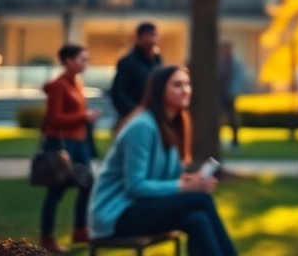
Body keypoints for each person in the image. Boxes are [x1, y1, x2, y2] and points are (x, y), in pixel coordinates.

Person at [90, 65, 238, 256]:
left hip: (140, 207)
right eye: (177, 85)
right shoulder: (142, 126)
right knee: (200, 200)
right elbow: (134, 186)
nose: (185, 90)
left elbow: (164, 180)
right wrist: (183, 188)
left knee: (197, 219)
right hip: (116, 215)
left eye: (187, 84)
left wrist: (189, 181)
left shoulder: (173, 125)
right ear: (160, 91)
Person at [39, 44, 103, 253]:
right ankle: (47, 238)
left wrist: (86, 117)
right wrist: (84, 116)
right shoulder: (59, 86)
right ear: (68, 61)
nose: (86, 63)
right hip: (61, 144)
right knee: (56, 190)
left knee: (87, 183)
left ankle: (80, 229)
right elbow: (54, 118)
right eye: (82, 59)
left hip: (79, 142)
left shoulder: (77, 82)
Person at [110, 22, 161, 125]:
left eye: (153, 35)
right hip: (134, 116)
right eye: (148, 35)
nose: (151, 39)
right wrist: (134, 110)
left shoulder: (157, 60)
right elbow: (118, 92)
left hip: (155, 114)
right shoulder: (128, 62)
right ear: (139, 38)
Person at [218, 41, 247, 150]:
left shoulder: (236, 63)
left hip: (230, 95)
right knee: (218, 120)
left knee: (232, 120)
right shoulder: (219, 63)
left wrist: (235, 92)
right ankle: (218, 142)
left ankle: (235, 142)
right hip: (220, 95)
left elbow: (239, 79)